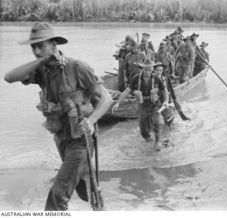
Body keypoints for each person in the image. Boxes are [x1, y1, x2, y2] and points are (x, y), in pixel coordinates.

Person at [4, 22, 113, 211]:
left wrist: (91, 120)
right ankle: (100, 207)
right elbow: (9, 76)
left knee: (57, 196)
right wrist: (41, 61)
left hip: (82, 139)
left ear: (54, 45)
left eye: (41, 46)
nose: (37, 51)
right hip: (62, 140)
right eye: (33, 47)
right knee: (84, 190)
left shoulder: (77, 67)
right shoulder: (41, 72)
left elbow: (106, 98)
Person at [112, 59, 169, 151]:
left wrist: (166, 100)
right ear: (142, 69)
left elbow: (164, 90)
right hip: (143, 105)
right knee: (143, 128)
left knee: (157, 121)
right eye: (146, 69)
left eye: (150, 70)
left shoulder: (156, 78)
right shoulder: (136, 78)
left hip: (155, 104)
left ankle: (157, 141)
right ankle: (148, 138)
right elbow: (127, 91)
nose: (148, 72)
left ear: (152, 69)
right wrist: (118, 102)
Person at [153, 62, 175, 127]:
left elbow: (169, 91)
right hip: (155, 102)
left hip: (165, 101)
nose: (159, 72)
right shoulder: (151, 79)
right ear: (154, 70)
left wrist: (169, 102)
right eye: (157, 70)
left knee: (169, 120)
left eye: (160, 70)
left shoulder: (165, 79)